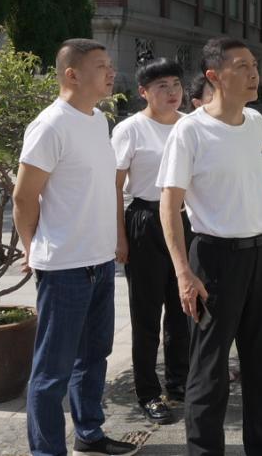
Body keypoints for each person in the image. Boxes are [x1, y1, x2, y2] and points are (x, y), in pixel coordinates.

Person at [156, 37, 262, 456]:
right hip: (214, 261)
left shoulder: (256, 122)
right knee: (209, 371)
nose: (253, 73)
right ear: (214, 76)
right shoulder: (190, 131)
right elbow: (169, 205)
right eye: (241, 66)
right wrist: (183, 273)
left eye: (254, 65)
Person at [14, 38, 137, 456]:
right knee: (52, 370)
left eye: (110, 65)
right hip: (64, 267)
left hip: (100, 262)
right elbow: (23, 196)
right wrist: (31, 247)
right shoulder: (50, 125)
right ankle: (47, 451)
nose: (111, 72)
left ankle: (89, 432)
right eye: (101, 66)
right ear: (72, 74)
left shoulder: (98, 120)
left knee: (94, 356)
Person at [111, 58, 189, 424]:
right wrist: (120, 237)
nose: (172, 93)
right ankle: (148, 391)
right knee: (146, 314)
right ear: (144, 92)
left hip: (185, 220)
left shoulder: (190, 125)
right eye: (162, 86)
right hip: (145, 220)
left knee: (183, 308)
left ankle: (180, 382)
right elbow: (114, 187)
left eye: (176, 85)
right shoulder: (130, 129)